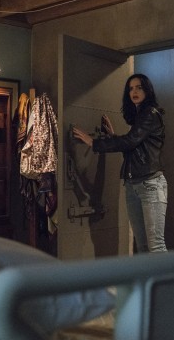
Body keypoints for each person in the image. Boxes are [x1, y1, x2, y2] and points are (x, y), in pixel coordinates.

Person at [72, 73, 168, 253]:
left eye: (139, 87)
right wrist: (113, 137)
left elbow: (130, 141)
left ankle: (169, 274)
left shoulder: (150, 114)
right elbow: (134, 148)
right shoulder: (140, 117)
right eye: (131, 88)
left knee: (156, 245)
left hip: (150, 184)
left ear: (147, 90)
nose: (134, 92)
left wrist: (94, 142)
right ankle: (146, 274)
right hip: (133, 185)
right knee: (142, 245)